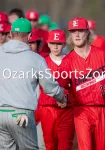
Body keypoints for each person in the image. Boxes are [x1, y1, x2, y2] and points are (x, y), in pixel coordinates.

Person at [58, 17, 105, 150]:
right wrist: (61, 98)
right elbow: (61, 86)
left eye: (80, 30)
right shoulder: (67, 61)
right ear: (70, 35)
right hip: (81, 111)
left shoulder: (102, 55)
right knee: (86, 147)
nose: (77, 34)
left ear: (87, 32)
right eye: (73, 31)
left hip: (101, 110)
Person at [0, 18, 66, 150]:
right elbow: (49, 87)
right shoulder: (36, 59)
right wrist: (61, 96)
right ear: (30, 36)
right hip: (21, 114)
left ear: (11, 34)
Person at [35, 29, 74, 150]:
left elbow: (76, 86)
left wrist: (65, 97)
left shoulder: (71, 61)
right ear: (48, 43)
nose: (55, 46)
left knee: (65, 145)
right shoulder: (42, 62)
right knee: (49, 145)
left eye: (59, 43)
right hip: (47, 108)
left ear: (64, 44)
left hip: (66, 110)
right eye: (53, 43)